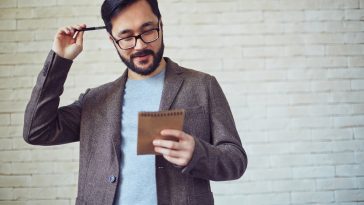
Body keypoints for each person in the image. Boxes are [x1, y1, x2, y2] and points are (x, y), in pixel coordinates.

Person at [23, 0, 248, 204]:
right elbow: (37, 131)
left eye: (148, 31)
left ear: (161, 25)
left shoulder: (202, 85)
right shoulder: (95, 100)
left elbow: (235, 160)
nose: (139, 45)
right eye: (126, 37)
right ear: (112, 40)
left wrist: (197, 154)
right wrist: (59, 61)